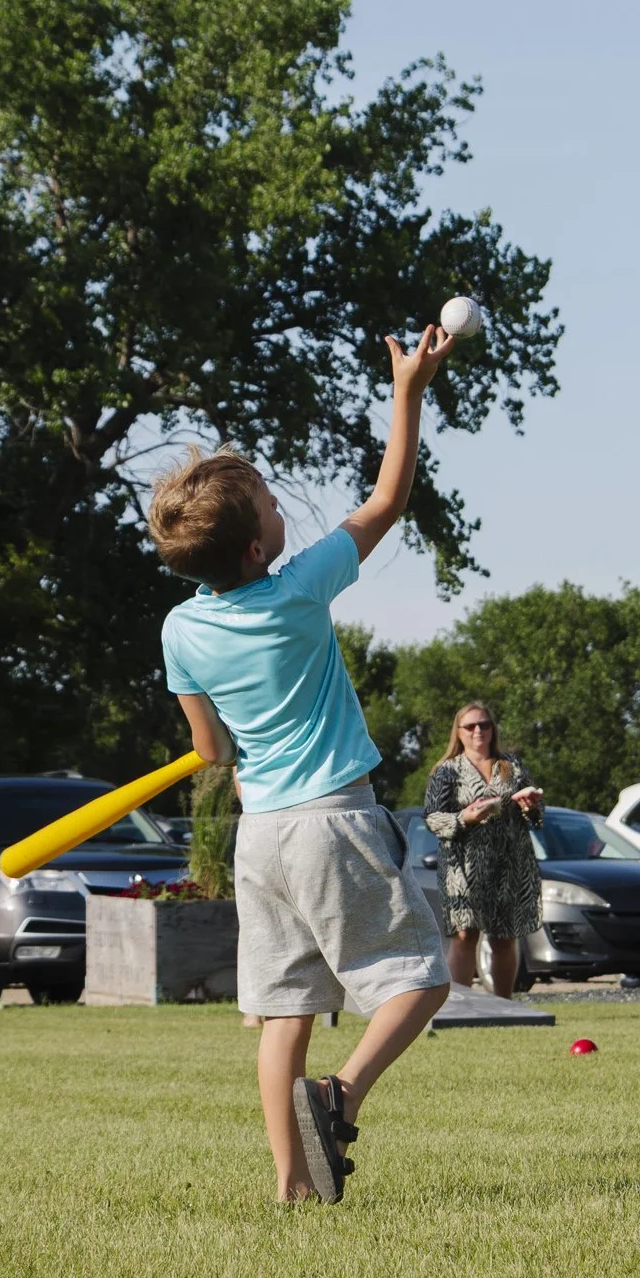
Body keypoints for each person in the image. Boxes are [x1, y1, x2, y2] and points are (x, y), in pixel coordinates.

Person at [151, 321, 458, 1203]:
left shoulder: (181, 629)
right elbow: (386, 500)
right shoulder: (297, 586)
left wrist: (217, 747)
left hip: (263, 837)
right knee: (420, 979)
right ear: (256, 548)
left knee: (283, 1012)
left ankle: (292, 1185)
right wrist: (408, 391)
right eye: (274, 508)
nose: (290, 514)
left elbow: (210, 750)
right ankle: (343, 1093)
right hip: (335, 817)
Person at [422, 703, 544, 999]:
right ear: (459, 733)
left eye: (485, 725)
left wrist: (532, 807)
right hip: (462, 864)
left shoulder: (511, 766)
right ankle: (459, 1006)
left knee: (504, 937)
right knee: (464, 934)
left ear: (493, 729)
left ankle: (504, 1005)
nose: (479, 731)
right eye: (471, 726)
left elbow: (536, 819)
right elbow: (433, 819)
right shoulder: (446, 771)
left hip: (509, 862)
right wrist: (466, 817)